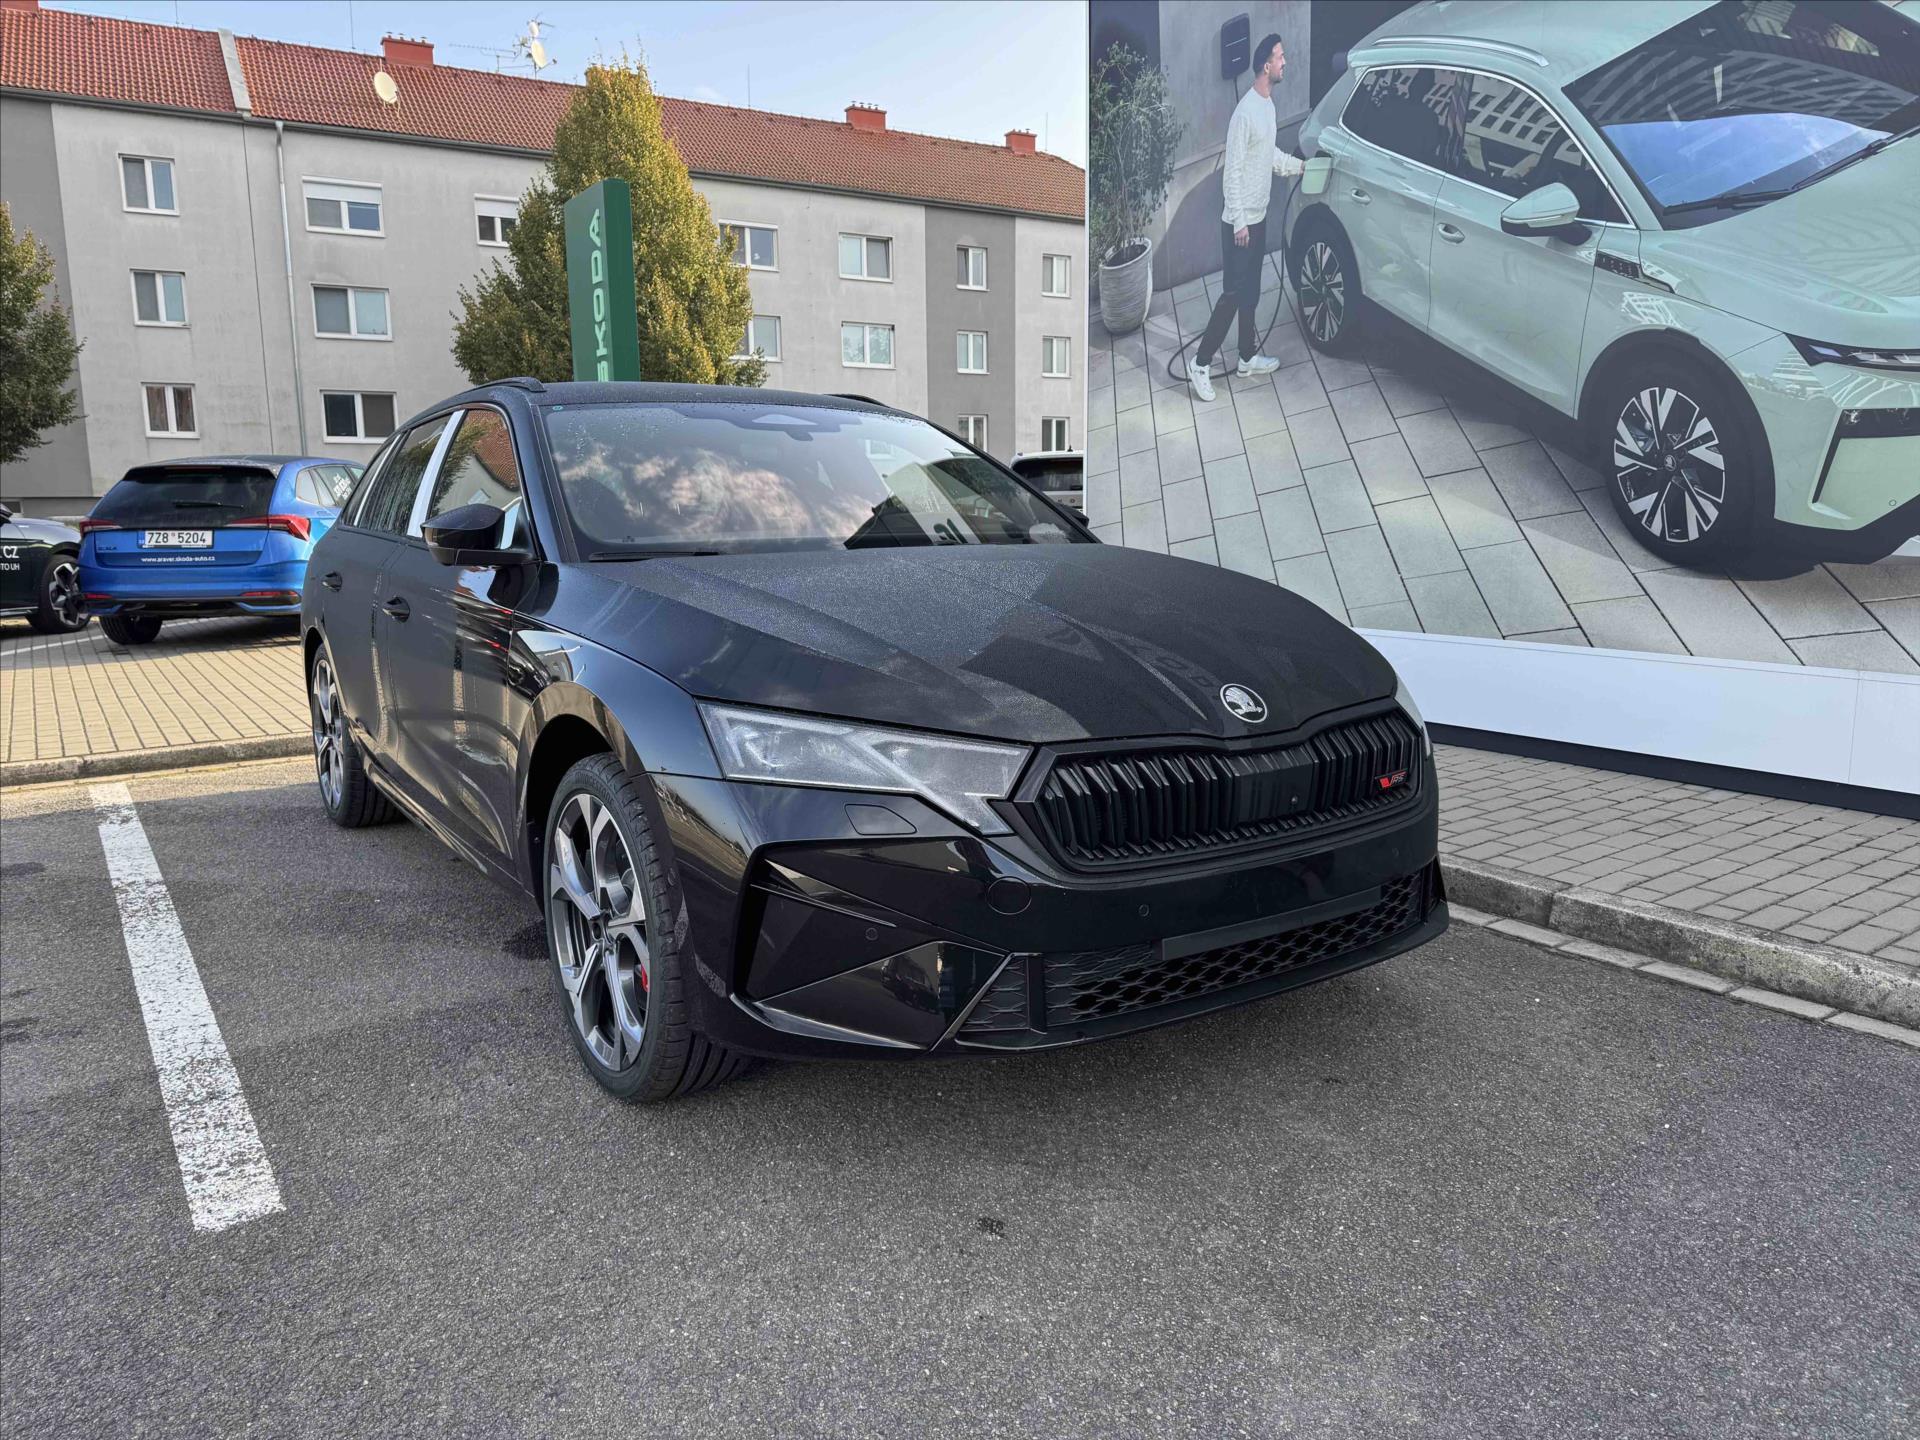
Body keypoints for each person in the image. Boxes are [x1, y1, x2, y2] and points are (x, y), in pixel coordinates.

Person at [1188, 32, 1305, 402]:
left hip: (1258, 216)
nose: (1285, 61)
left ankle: (1247, 357)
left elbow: (1268, 157)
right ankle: (1201, 362)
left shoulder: (1268, 107)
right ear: (1265, 65)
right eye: (1280, 56)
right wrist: (1238, 221)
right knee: (1233, 295)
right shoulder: (1245, 112)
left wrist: (1301, 167)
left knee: (1251, 293)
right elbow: (1232, 172)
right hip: (1240, 223)